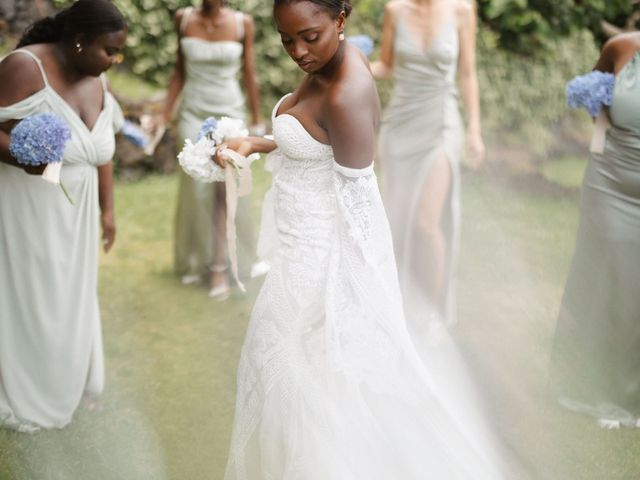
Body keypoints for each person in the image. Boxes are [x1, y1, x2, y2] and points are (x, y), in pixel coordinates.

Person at [216, 1, 505, 477]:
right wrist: (260, 142)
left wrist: (348, 300)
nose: (298, 51)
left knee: (304, 386)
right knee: (289, 384)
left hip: (315, 272)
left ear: (340, 21)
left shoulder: (347, 93)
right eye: (287, 39)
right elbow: (314, 142)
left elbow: (362, 212)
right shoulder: (331, 60)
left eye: (309, 36)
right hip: (296, 256)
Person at [0, 0, 127, 431]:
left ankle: (69, 380)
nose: (115, 60)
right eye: (110, 51)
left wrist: (108, 210)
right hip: (28, 207)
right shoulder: (25, 67)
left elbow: (101, 152)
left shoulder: (98, 81)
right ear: (79, 41)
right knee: (36, 298)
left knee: (71, 295)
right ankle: (31, 388)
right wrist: (20, 156)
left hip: (78, 214)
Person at [370, 0, 484, 336]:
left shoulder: (463, 9)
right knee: (398, 221)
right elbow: (387, 65)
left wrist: (474, 129)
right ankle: (400, 302)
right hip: (401, 123)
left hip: (441, 122)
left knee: (425, 223)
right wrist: (347, 61)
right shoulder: (394, 10)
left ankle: (433, 312)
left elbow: (467, 72)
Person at [550, 32, 640, 428]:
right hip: (610, 183)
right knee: (616, 285)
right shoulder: (621, 48)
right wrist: (601, 140)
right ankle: (602, 392)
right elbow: (593, 90)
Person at [163, 0, 265, 299]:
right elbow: (178, 70)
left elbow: (249, 73)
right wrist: (165, 112)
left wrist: (257, 119)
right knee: (195, 187)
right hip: (193, 112)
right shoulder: (183, 19)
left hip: (230, 111)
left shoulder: (241, 23)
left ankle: (236, 259)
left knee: (231, 186)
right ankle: (198, 261)